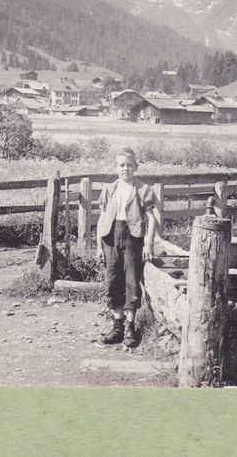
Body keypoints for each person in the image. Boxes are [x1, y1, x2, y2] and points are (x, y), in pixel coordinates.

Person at [95, 147, 158, 348]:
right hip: (110, 237)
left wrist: (148, 243)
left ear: (136, 167)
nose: (126, 169)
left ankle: (131, 327)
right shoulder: (110, 189)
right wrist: (98, 246)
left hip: (133, 237)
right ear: (116, 167)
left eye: (129, 165)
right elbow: (102, 218)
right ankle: (117, 326)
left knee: (131, 280)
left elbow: (151, 218)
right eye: (122, 165)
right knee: (112, 280)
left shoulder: (142, 190)